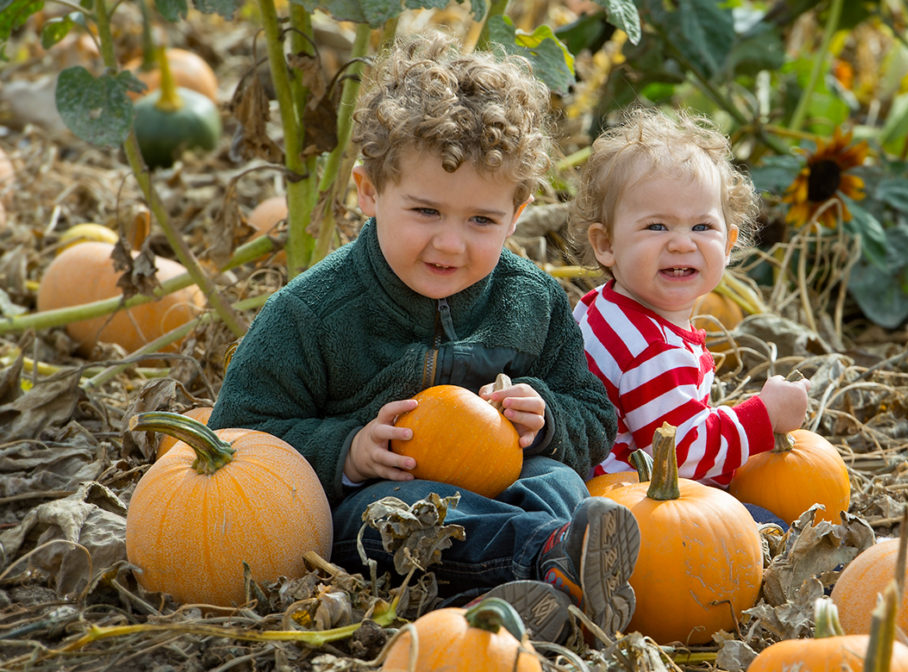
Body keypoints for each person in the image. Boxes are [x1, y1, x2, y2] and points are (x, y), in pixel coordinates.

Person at [208, 32, 638, 643]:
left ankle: (529, 587)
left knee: (559, 481)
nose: (450, 244)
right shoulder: (313, 313)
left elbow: (594, 415)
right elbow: (238, 436)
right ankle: (549, 569)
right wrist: (349, 452)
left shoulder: (532, 300)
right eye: (426, 212)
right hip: (387, 503)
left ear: (518, 214)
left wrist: (544, 418)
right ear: (368, 191)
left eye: (482, 221)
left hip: (510, 486)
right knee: (386, 519)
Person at [569, 106, 810, 516]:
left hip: (600, 488)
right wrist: (763, 416)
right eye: (657, 227)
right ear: (606, 244)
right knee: (769, 522)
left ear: (729, 243)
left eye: (702, 227)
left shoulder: (602, 307)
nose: (682, 243)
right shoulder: (653, 349)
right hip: (626, 503)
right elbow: (683, 456)